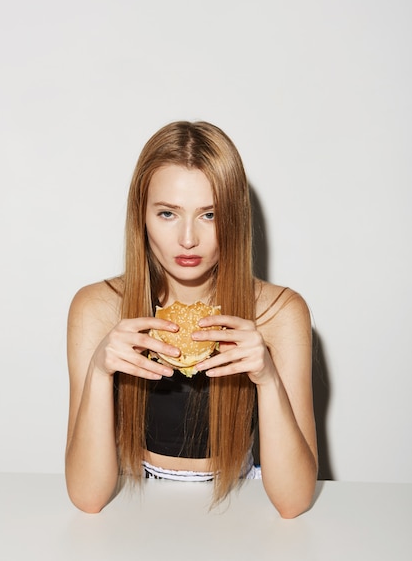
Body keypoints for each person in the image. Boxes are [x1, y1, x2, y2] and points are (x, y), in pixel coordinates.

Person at [65, 120, 318, 518]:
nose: (187, 239)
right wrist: (100, 372)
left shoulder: (279, 312)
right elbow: (87, 496)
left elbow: (294, 502)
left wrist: (267, 378)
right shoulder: (98, 307)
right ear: (141, 217)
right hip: (134, 505)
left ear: (234, 218)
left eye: (209, 214)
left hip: (241, 506)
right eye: (167, 213)